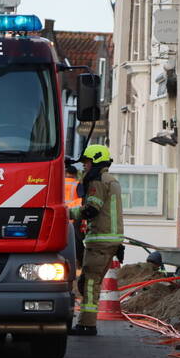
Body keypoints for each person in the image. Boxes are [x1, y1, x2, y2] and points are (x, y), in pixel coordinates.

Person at [68, 144, 124, 336]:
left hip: (100, 240)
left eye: (87, 163)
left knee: (90, 282)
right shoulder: (110, 180)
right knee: (89, 280)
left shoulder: (98, 181)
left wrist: (67, 213)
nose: (84, 167)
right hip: (109, 240)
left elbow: (92, 209)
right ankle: (87, 322)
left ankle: (87, 324)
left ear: (96, 161)